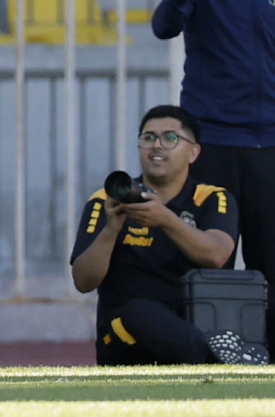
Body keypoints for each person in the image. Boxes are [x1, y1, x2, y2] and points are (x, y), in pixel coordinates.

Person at [150, 0, 275, 342]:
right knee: (206, 256)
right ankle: (200, 353)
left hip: (270, 143)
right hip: (214, 141)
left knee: (270, 259)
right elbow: (163, 27)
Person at [70, 105, 249, 365]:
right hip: (124, 336)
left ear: (193, 152)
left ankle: (207, 354)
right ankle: (216, 360)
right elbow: (83, 281)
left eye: (170, 138)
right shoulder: (106, 199)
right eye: (148, 137)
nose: (157, 145)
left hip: (191, 326)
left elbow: (217, 256)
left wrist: (165, 219)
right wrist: (111, 229)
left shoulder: (211, 197)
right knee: (137, 310)